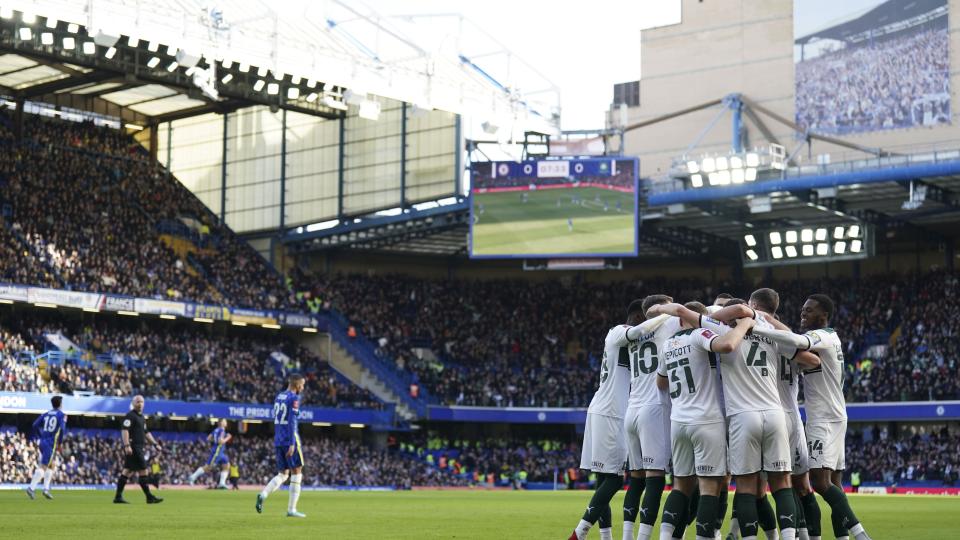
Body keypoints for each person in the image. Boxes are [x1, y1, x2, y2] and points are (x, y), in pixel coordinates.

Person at [752, 294, 872, 540]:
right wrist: (769, 321)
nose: (803, 314)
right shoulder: (831, 338)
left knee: (819, 482)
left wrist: (760, 323)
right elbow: (794, 340)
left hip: (823, 418)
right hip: (836, 414)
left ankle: (860, 534)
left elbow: (795, 340)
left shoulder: (823, 336)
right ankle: (844, 537)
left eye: (809, 311)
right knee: (835, 484)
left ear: (823, 315)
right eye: (802, 310)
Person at [646, 301, 755, 540]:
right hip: (706, 420)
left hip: (679, 422)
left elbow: (661, 383)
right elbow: (727, 345)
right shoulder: (699, 334)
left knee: (680, 486)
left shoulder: (667, 345)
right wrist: (745, 325)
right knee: (709, 487)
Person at [568, 300, 670, 540]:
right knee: (614, 480)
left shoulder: (634, 342)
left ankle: (606, 537)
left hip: (607, 411)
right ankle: (580, 532)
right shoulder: (616, 332)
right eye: (643, 317)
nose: (645, 322)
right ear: (636, 315)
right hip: (610, 412)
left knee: (604, 478)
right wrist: (666, 313)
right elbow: (638, 331)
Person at [622, 293, 679, 540]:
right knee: (655, 477)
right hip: (653, 408)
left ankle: (627, 536)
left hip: (631, 409)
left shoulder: (634, 332)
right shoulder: (668, 325)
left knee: (636, 479)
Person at [256, 373, 307, 518]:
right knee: (297, 473)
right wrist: (292, 443)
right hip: (290, 439)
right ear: (297, 385)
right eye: (302, 385)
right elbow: (292, 421)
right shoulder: (294, 398)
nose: (302, 388)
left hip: (278, 439)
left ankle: (263, 494)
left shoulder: (279, 396)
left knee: (283, 474)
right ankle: (291, 509)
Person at [114, 395, 163, 504]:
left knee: (127, 471)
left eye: (141, 402)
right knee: (144, 470)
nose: (140, 404)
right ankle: (149, 497)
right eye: (137, 402)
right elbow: (125, 430)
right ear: (133, 403)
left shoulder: (141, 417)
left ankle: (118, 496)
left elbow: (146, 432)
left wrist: (155, 444)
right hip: (134, 447)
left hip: (138, 447)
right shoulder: (130, 416)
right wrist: (127, 445)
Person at [25, 395, 66, 500]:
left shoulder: (46, 414)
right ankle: (31, 488)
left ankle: (46, 489)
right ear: (60, 404)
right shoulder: (62, 415)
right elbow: (62, 429)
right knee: (44, 466)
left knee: (51, 465)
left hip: (42, 441)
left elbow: (34, 425)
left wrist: (38, 436)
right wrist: (60, 443)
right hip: (50, 443)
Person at [188, 419, 232, 489]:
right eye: (225, 421)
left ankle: (222, 483)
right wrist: (228, 437)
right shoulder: (222, 430)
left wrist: (215, 440)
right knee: (208, 467)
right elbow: (220, 441)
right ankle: (192, 477)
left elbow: (208, 438)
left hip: (221, 452)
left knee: (227, 464)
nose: (226, 422)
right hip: (217, 451)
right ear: (221, 423)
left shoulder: (215, 430)